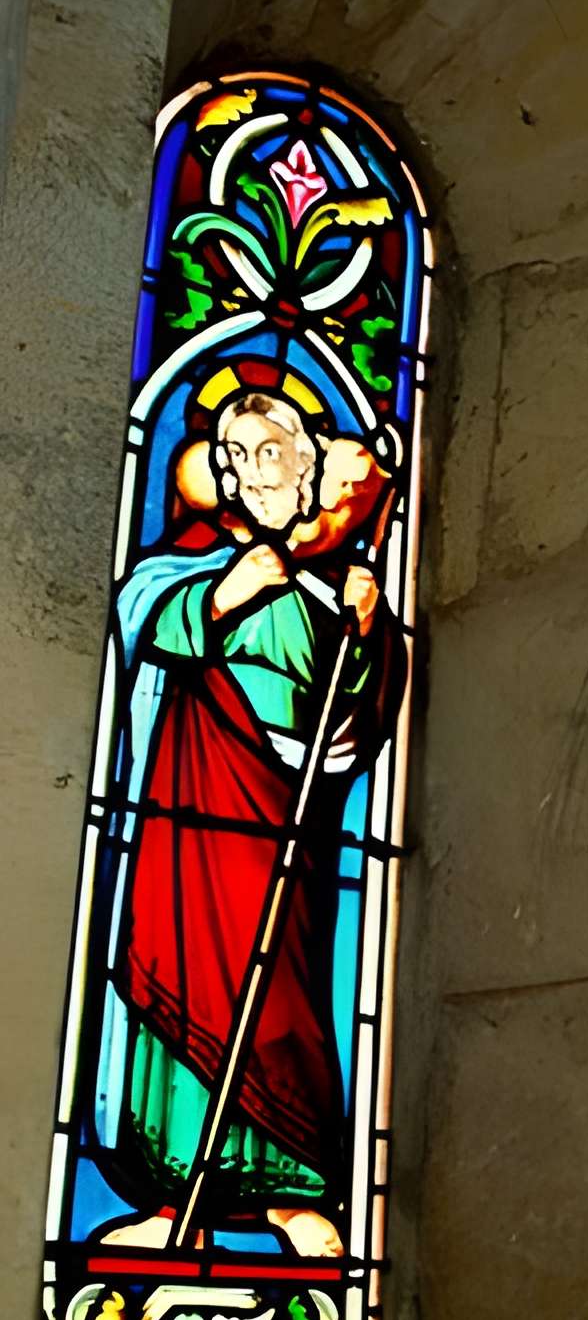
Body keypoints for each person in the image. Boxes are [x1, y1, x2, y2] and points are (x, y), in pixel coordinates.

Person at [100, 380, 404, 1257]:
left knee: (283, 998)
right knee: (182, 985)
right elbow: (141, 619)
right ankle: (175, 1200)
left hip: (287, 824)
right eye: (236, 457)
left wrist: (366, 633)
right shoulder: (192, 566)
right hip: (190, 821)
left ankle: (290, 1192)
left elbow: (352, 719)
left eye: (271, 453)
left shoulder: (328, 589)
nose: (253, 472)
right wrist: (223, 597)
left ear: (307, 468)